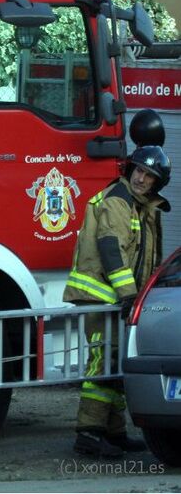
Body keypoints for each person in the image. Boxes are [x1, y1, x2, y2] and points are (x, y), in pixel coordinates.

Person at [64, 110, 171, 459]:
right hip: (102, 295)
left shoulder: (140, 206)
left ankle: (114, 432)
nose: (141, 178)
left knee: (115, 363)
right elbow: (112, 249)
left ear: (156, 183)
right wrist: (128, 294)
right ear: (130, 169)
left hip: (117, 298)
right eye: (139, 171)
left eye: (149, 175)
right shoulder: (118, 200)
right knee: (103, 362)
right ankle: (89, 433)